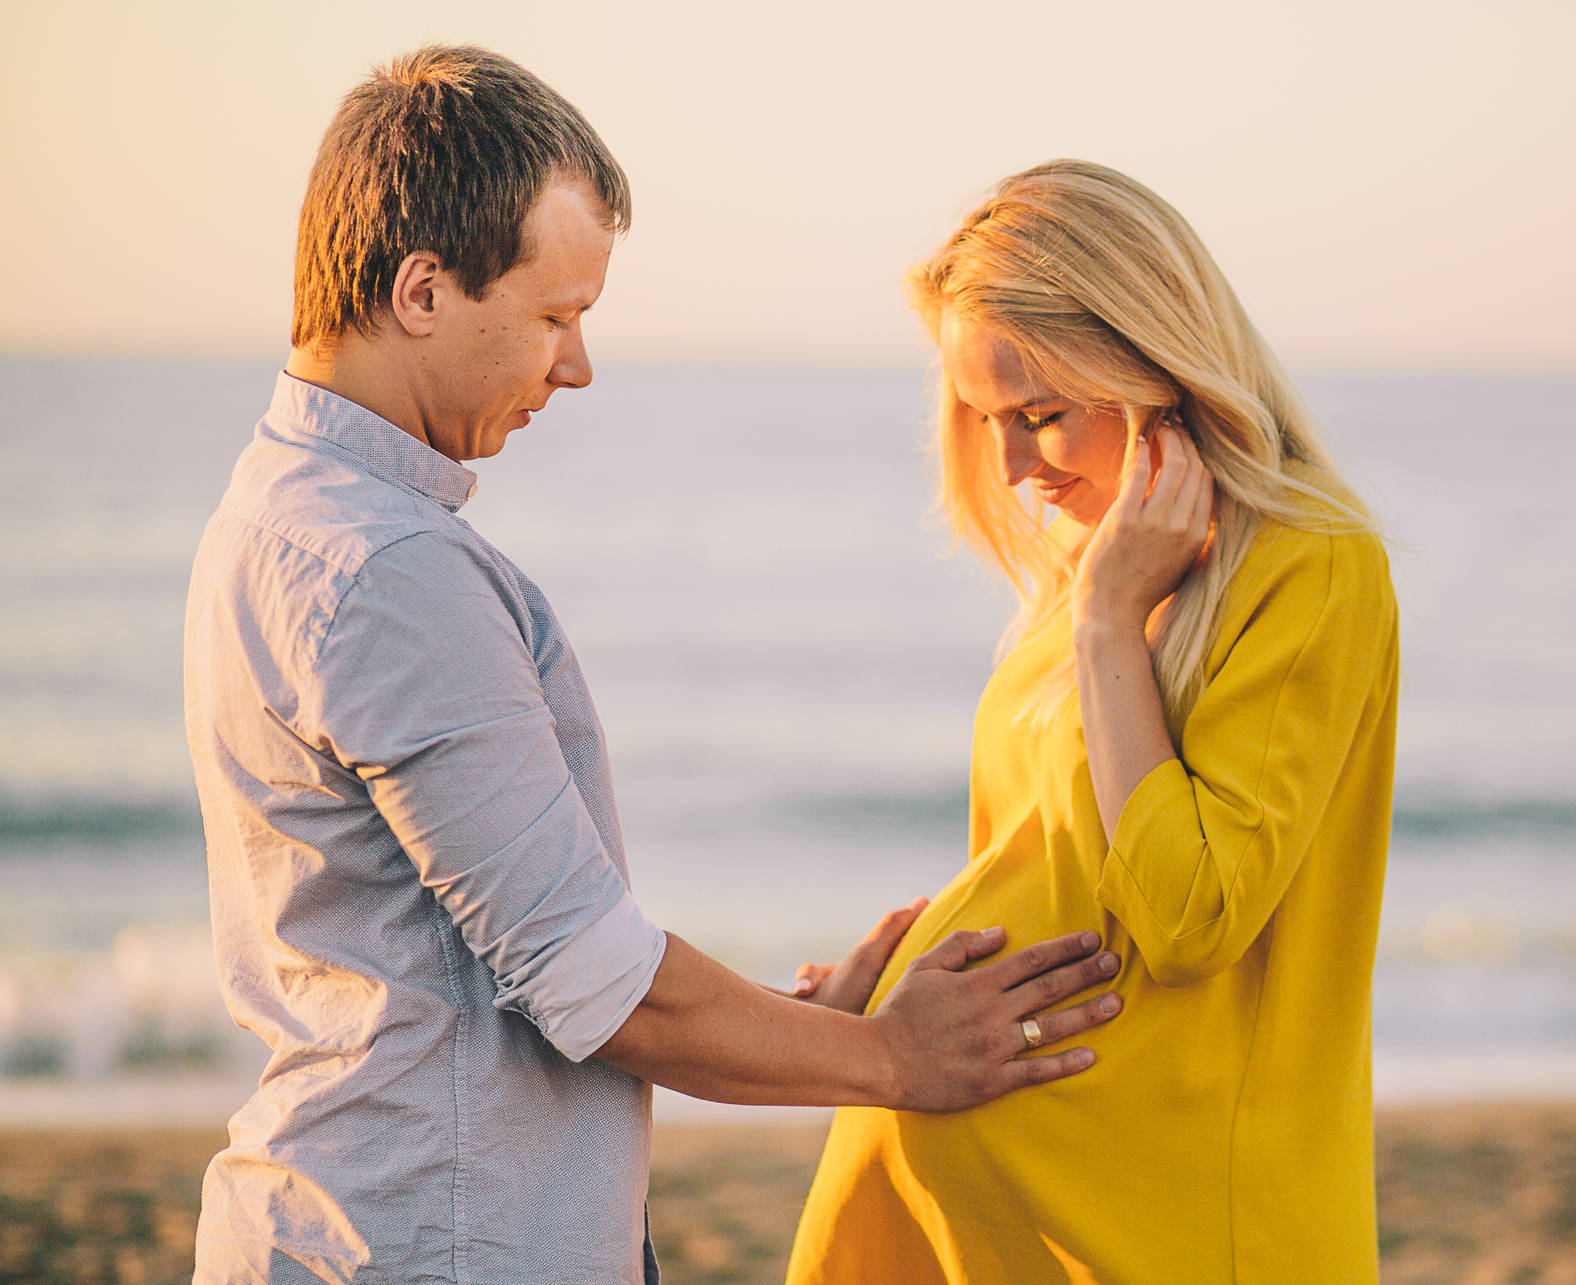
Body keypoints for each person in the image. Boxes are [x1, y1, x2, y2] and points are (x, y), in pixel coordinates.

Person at [181, 50, 1122, 1285]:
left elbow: (489, 941)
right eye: (554, 317)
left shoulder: (277, 508)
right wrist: (896, 1058)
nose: (575, 367)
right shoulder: (389, 572)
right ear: (421, 291)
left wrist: (807, 1021)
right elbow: (595, 982)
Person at [786, 160, 1401, 1284]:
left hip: (1159, 1224)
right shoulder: (1082, 571)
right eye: (986, 422)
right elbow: (1034, 859)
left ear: (1155, 361)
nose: (1015, 467)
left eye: (1041, 416)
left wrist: (1113, 625)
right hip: (970, 1207)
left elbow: (1190, 916)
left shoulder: (1312, 569)